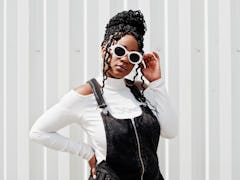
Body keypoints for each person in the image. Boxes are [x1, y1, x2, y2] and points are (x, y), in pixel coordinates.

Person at [29, 9, 178, 180]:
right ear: (104, 49)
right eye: (120, 51)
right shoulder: (85, 95)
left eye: (133, 56)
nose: (124, 59)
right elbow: (38, 132)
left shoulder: (142, 91)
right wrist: (87, 153)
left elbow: (170, 131)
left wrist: (157, 83)